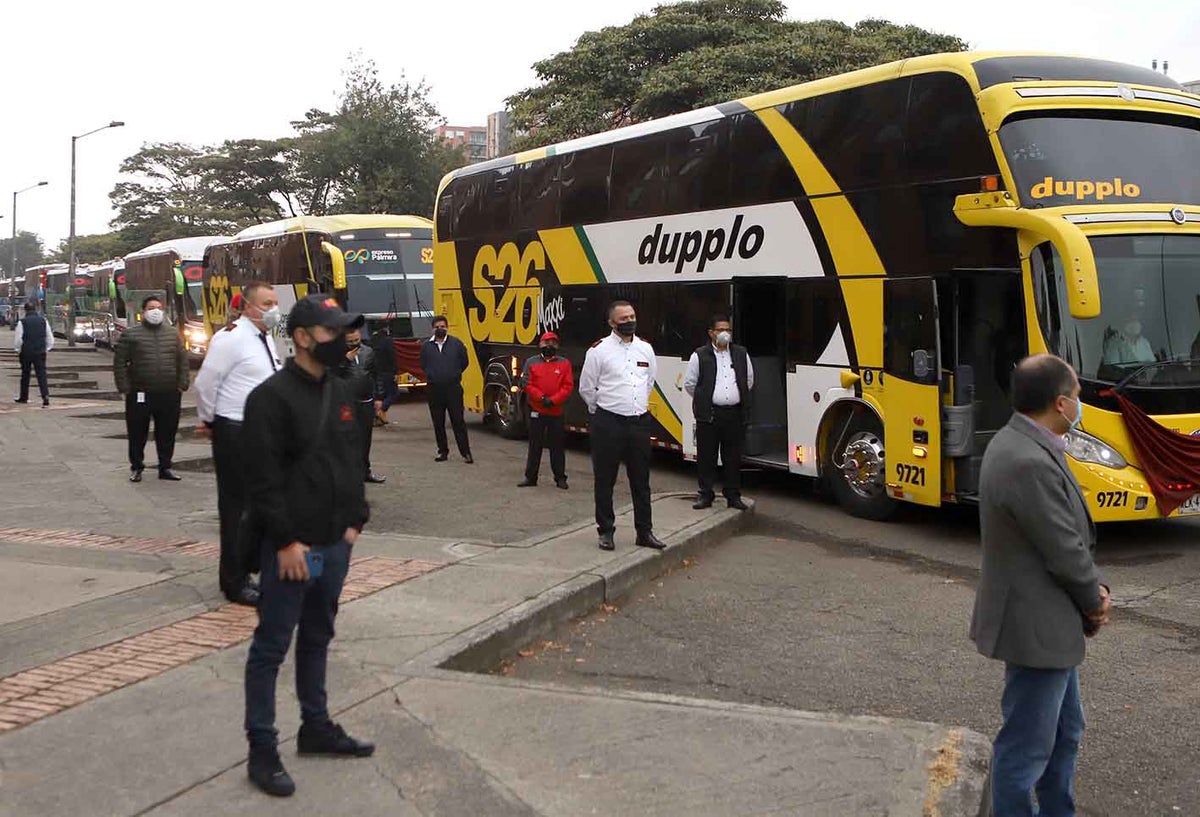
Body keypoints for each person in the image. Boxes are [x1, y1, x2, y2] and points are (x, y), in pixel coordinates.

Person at [241, 294, 374, 798]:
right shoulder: (269, 399)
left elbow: (350, 461)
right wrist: (285, 542)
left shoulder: (339, 391)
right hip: (293, 550)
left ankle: (315, 728)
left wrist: (354, 524)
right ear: (302, 337)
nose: (342, 339)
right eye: (331, 330)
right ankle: (262, 747)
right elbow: (262, 481)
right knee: (271, 648)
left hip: (335, 546)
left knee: (318, 638)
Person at [970, 353, 1111, 816]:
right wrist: (1095, 601)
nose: (1080, 404)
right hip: (1036, 627)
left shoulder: (1027, 444)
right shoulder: (1026, 458)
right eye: (1077, 396)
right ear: (1060, 402)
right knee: (1026, 749)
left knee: (1065, 731)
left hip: (1049, 626)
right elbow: (1064, 549)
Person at [193, 283, 282, 606]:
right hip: (236, 429)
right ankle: (234, 581)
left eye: (275, 302)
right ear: (247, 306)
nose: (273, 308)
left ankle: (248, 569)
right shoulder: (230, 338)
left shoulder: (265, 337)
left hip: (261, 430)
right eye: (266, 303)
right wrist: (210, 420)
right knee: (236, 509)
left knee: (257, 506)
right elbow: (205, 384)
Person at [578, 300, 666, 552]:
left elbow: (648, 382)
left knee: (641, 479)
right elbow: (587, 387)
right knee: (605, 480)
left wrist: (634, 406)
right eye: (623, 318)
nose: (629, 321)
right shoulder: (599, 350)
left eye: (632, 316)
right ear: (611, 323)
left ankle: (644, 531)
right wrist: (601, 411)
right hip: (608, 422)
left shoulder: (645, 349)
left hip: (638, 422)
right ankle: (606, 531)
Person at [112, 295, 190, 482]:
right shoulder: (131, 335)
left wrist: (182, 384)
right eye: (151, 308)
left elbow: (183, 361)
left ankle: (165, 467)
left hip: (169, 393)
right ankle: (137, 467)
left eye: (158, 307)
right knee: (137, 432)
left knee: (167, 432)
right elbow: (119, 362)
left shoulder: (173, 333)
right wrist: (124, 387)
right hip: (140, 393)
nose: (155, 311)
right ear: (143, 312)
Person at [683, 314, 754, 511]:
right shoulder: (700, 355)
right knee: (707, 457)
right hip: (710, 415)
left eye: (728, 330)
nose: (725, 333)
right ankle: (705, 494)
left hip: (734, 414)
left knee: (732, 457)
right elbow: (690, 384)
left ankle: (733, 495)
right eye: (720, 329)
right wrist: (706, 399)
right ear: (711, 333)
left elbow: (748, 381)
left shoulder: (740, 354)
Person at [517, 331, 573, 489]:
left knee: (557, 447)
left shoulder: (565, 363)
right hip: (536, 410)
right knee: (535, 445)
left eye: (553, 343)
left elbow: (567, 386)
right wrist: (541, 398)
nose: (549, 346)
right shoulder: (531, 362)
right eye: (546, 342)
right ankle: (530, 477)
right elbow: (526, 383)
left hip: (556, 412)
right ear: (540, 344)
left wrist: (554, 400)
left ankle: (560, 478)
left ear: (558, 345)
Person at [419, 315, 472, 463]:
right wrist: (432, 374)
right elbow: (423, 364)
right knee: (438, 422)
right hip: (434, 390)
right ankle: (442, 452)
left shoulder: (456, 344)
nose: (440, 329)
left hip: (453, 389)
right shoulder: (426, 347)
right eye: (437, 327)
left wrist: (454, 373)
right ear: (433, 329)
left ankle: (466, 453)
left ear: (447, 327)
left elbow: (464, 362)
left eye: (442, 326)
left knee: (458, 421)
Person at [338, 326, 386, 483]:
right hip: (346, 404)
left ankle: (365, 472)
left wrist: (379, 397)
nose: (354, 344)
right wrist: (345, 360)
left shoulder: (368, 352)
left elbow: (377, 374)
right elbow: (330, 374)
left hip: (366, 402)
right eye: (350, 341)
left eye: (356, 341)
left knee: (365, 439)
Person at [14, 301, 53, 407]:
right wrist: (47, 348)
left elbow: (18, 339)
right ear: (35, 309)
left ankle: (24, 396)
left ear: (25, 310)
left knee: (25, 374)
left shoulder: (22, 322)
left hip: (26, 352)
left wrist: (18, 349)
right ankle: (45, 396)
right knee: (41, 374)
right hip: (40, 352)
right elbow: (49, 337)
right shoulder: (44, 321)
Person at [370, 325, 398, 426]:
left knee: (379, 394)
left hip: (376, 372)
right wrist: (395, 371)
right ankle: (381, 410)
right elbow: (392, 356)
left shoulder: (373, 340)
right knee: (393, 392)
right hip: (388, 371)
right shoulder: (388, 341)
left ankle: (378, 418)